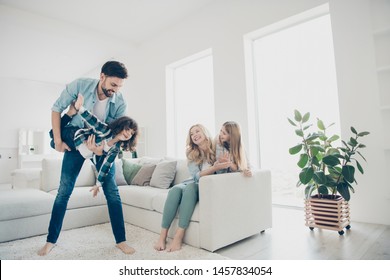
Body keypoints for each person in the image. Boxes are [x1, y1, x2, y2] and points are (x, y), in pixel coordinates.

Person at [38, 61, 135, 256]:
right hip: (76, 140)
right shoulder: (80, 85)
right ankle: (51, 240)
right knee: (64, 191)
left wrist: (99, 150)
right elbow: (56, 108)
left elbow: (113, 133)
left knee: (112, 192)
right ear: (102, 77)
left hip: (101, 144)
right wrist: (57, 140)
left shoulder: (119, 101)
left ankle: (121, 240)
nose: (115, 91)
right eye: (113, 85)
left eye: (120, 87)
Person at [153, 124, 231, 252]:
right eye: (191, 134)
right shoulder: (191, 152)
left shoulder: (218, 147)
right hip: (194, 181)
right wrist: (214, 168)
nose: (194, 135)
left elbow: (221, 175)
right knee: (174, 190)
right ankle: (162, 236)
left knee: (189, 188)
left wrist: (218, 166)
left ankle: (179, 236)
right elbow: (195, 177)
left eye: (197, 131)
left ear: (204, 132)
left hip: (206, 185)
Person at [52, 94, 138, 197]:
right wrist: (80, 108)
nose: (128, 134)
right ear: (121, 126)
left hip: (85, 150)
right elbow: (94, 121)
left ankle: (54, 141)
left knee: (88, 152)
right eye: (127, 129)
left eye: (132, 133)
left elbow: (105, 166)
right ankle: (55, 139)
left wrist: (98, 184)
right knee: (52, 136)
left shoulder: (115, 149)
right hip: (77, 137)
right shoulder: (107, 131)